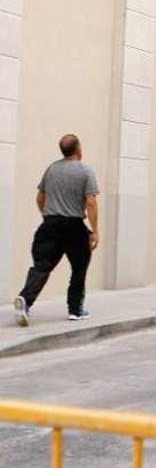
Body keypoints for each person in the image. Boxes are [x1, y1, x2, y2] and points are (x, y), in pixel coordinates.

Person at [13, 134, 99, 327]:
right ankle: (75, 309)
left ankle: (25, 300)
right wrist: (94, 231)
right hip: (74, 226)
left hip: (50, 225)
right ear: (78, 149)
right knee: (79, 267)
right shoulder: (85, 171)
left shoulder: (51, 169)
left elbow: (40, 199)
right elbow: (91, 203)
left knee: (42, 266)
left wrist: (48, 218)